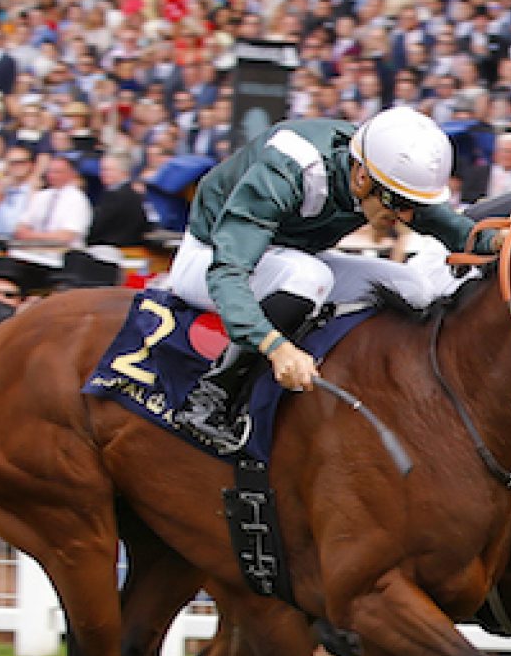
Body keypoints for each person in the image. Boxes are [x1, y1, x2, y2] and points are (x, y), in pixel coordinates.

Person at [168, 106, 487, 450]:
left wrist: (498, 240)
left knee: (413, 287)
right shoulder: (291, 166)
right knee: (309, 276)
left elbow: (451, 227)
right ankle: (211, 397)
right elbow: (228, 272)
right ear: (362, 177)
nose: (406, 216)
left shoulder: (379, 171)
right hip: (210, 258)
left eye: (413, 204)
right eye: (399, 204)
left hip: (289, 259)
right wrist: (274, 346)